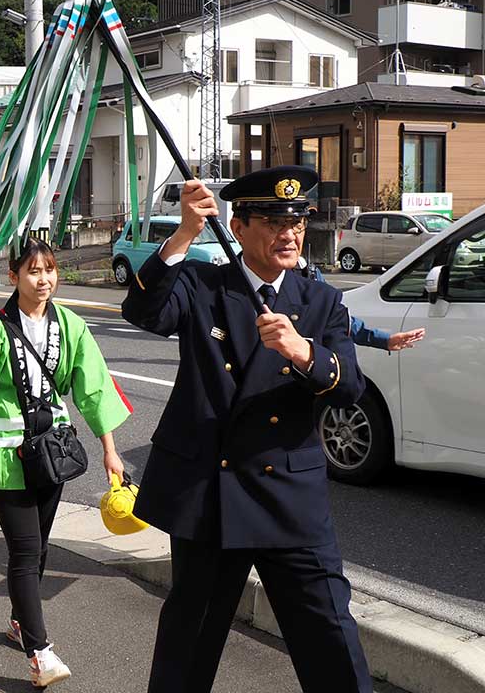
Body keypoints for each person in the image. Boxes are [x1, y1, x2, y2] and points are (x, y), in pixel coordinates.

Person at [122, 166, 371, 693]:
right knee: (190, 640)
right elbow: (144, 311)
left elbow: (349, 386)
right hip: (213, 491)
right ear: (238, 226)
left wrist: (303, 352)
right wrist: (185, 232)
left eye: (298, 221)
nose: (290, 234)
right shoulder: (203, 284)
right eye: (275, 221)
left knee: (330, 632)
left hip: (289, 494)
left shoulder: (320, 300)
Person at [0, 236, 131, 688]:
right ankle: (39, 652)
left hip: (52, 453)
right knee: (24, 550)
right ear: (14, 276)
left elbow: (94, 387)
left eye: (50, 270)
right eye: (34, 271)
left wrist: (109, 449)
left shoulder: (71, 325)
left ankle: (20, 621)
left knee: (38, 545)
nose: (44, 280)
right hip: (4, 457)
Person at [295, 255, 425, 352]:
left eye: (297, 227)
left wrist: (385, 340)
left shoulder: (307, 272)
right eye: (278, 225)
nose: (289, 237)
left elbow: (339, 319)